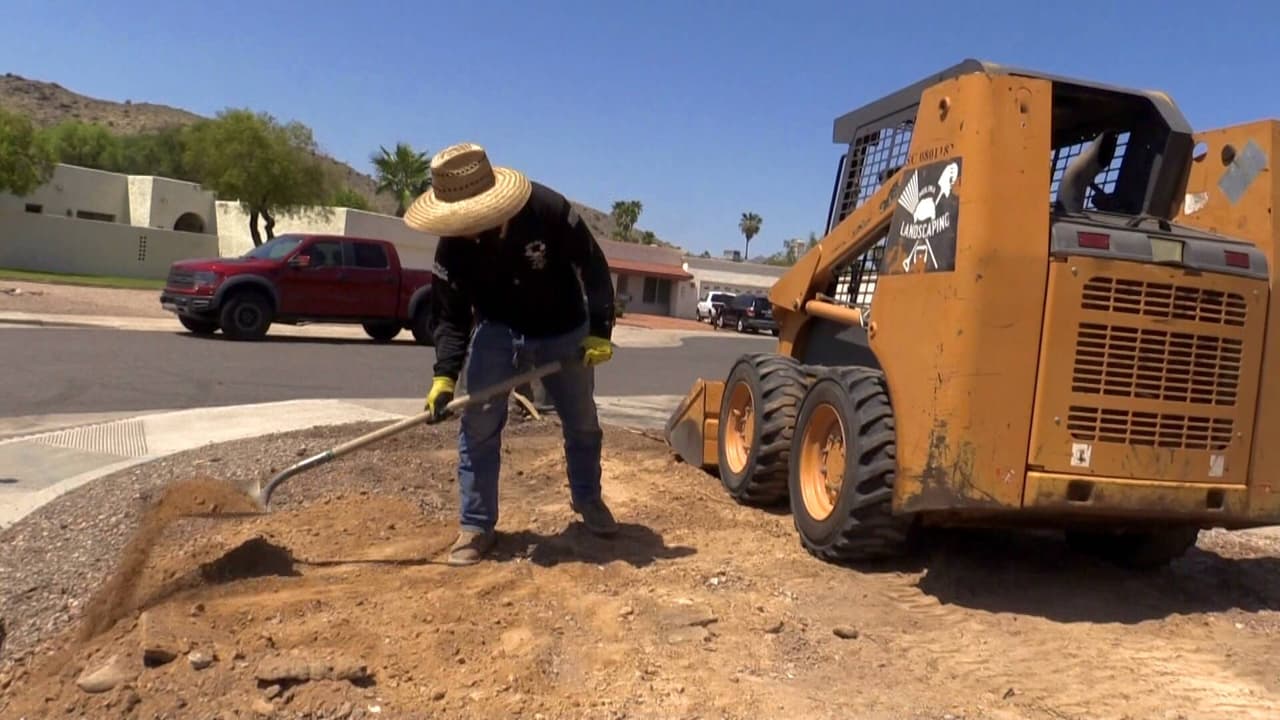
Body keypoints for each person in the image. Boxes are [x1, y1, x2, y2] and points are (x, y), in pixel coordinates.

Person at [402, 142, 619, 566]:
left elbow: (593, 266)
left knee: (581, 422)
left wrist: (599, 331)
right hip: (498, 329)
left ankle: (588, 500)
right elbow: (450, 317)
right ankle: (476, 524)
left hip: (563, 327)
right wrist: (444, 376)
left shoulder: (548, 210)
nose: (465, 230)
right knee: (478, 425)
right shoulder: (452, 248)